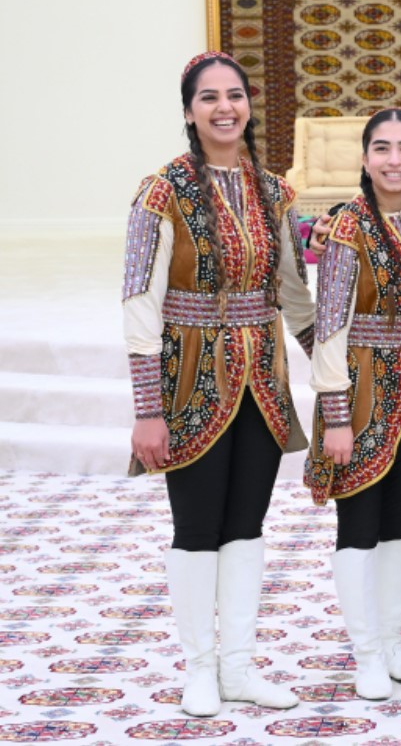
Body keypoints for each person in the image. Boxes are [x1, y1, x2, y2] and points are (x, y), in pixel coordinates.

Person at [124, 51, 313, 716]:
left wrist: (339, 377)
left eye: (234, 95)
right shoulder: (160, 192)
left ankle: (238, 667)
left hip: (262, 379)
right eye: (209, 98)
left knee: (247, 526)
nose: (224, 108)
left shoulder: (274, 191)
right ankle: (199, 669)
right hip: (189, 381)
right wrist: (147, 409)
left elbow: (294, 295)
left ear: (248, 105)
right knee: (197, 525)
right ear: (189, 111)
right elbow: (139, 304)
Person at [306, 109, 401, 700]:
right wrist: (336, 415)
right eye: (382, 148)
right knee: (358, 527)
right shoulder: (347, 226)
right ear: (365, 159)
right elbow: (329, 323)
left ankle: (391, 642)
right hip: (360, 390)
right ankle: (365, 653)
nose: (395, 160)